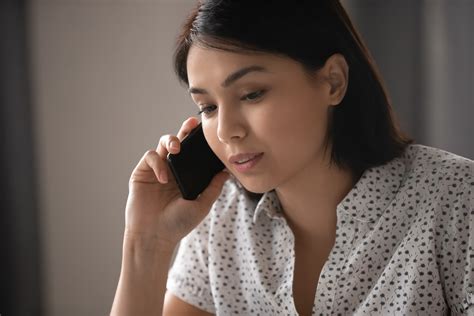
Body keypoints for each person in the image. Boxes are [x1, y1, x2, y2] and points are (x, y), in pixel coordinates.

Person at [110, 0, 473, 315]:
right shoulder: (220, 221)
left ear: (333, 82)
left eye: (251, 94)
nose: (226, 131)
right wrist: (147, 242)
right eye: (208, 107)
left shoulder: (456, 199)